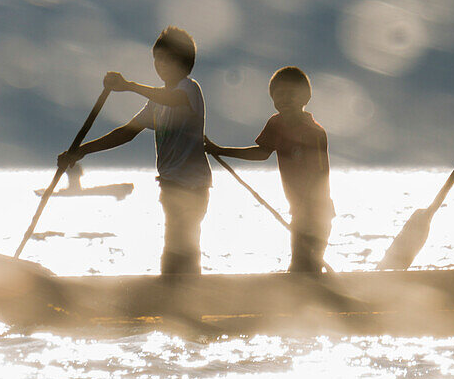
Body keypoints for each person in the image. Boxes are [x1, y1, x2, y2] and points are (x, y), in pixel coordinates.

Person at [58, 26, 211, 274]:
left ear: (183, 62)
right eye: (157, 59)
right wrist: (81, 151)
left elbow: (172, 100)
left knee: (182, 246)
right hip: (170, 184)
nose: (161, 64)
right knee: (173, 248)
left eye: (168, 59)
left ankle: (186, 298)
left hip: (192, 185)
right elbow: (126, 133)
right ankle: (174, 294)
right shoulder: (156, 102)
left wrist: (128, 86)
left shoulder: (189, 89)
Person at [205, 67, 334, 273]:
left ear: (304, 97)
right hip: (298, 212)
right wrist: (219, 150)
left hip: (318, 212)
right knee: (300, 267)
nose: (284, 99)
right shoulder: (277, 124)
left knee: (307, 267)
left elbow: (321, 174)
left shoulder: (314, 132)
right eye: (278, 94)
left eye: (290, 94)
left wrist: (307, 206)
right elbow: (261, 153)